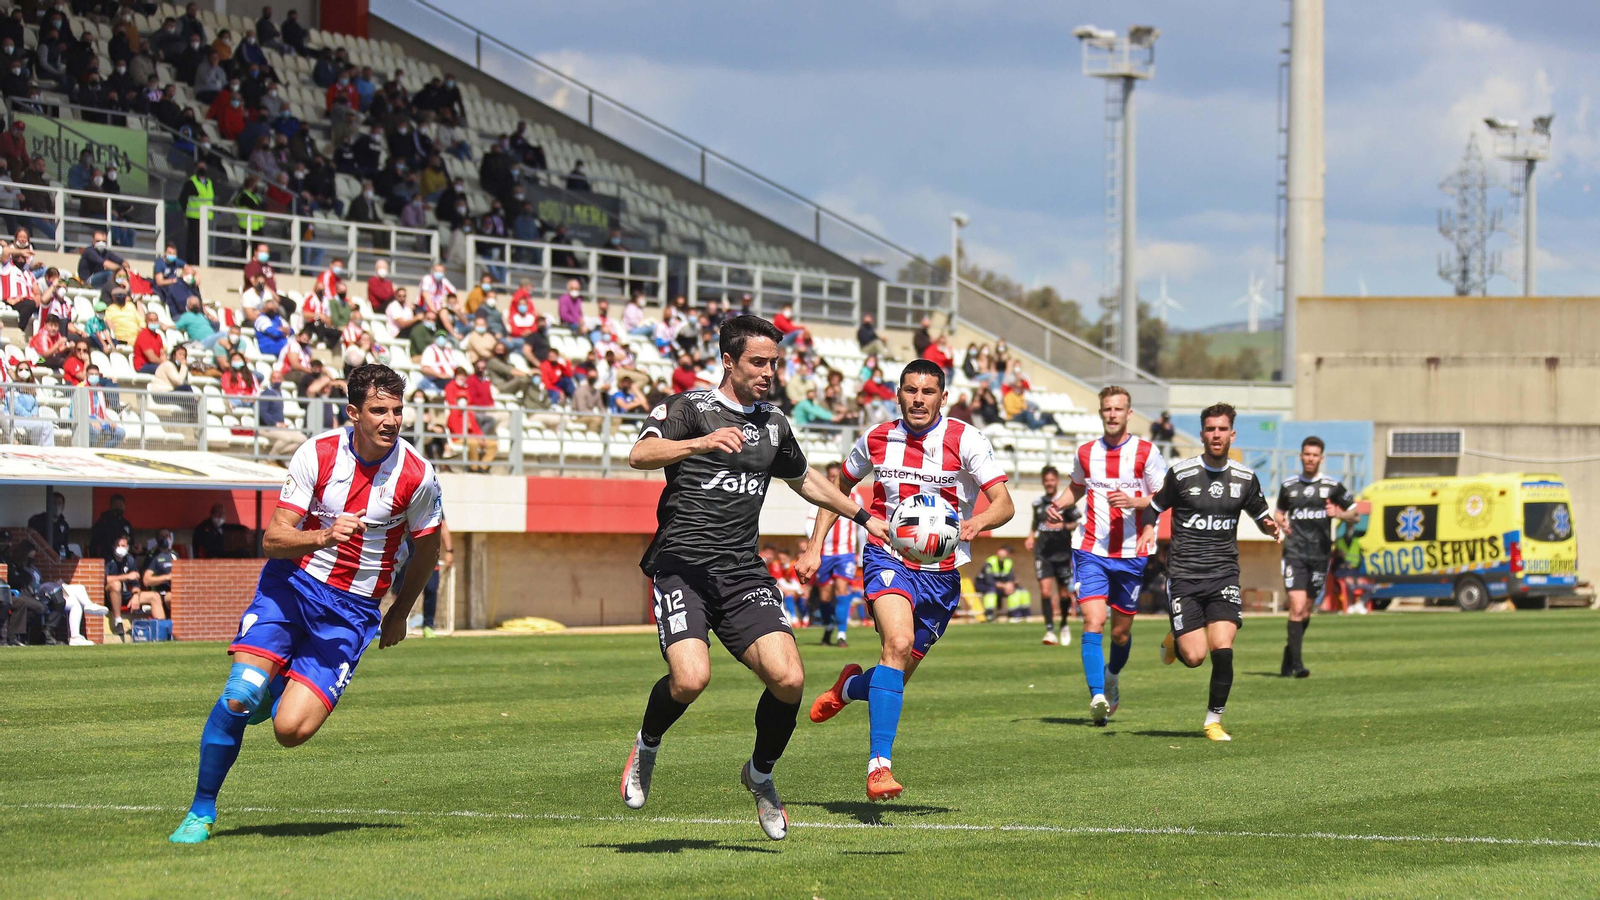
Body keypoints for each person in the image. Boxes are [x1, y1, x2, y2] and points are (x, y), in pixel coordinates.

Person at [619, 315, 888, 841]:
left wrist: (863, 517)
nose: (769, 372)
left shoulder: (773, 422)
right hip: (682, 568)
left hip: (742, 572)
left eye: (774, 363)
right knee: (690, 680)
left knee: (789, 680)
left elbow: (806, 479)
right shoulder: (689, 408)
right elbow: (640, 454)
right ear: (728, 361)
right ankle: (646, 746)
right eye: (757, 362)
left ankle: (760, 774)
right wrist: (700, 444)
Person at [168, 365, 442, 844]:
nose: (391, 420)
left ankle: (274, 688)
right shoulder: (317, 454)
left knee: (290, 731)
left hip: (352, 611)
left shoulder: (418, 475)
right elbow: (273, 540)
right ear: (353, 412)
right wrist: (323, 536)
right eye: (379, 410)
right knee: (239, 693)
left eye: (398, 410)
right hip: (292, 586)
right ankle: (201, 810)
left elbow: (428, 550)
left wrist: (398, 612)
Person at [801, 358, 1013, 802]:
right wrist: (815, 545)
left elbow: (1004, 504)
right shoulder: (877, 438)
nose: (918, 399)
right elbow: (837, 488)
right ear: (898, 394)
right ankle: (879, 766)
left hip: (942, 575)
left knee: (894, 675)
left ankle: (849, 687)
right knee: (896, 644)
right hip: (888, 557)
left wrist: (977, 522)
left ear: (943, 397)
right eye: (910, 390)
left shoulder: (966, 439)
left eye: (927, 391)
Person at [1148, 403, 1282, 742]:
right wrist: (1149, 529)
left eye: (1222, 429)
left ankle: (1213, 722)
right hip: (1184, 576)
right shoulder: (1182, 474)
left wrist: (1270, 527)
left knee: (1223, 648)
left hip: (1224, 575)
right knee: (1195, 657)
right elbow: (1154, 507)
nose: (1216, 435)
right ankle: (1176, 640)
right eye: (1210, 429)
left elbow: (1261, 515)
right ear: (1202, 434)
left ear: (1232, 434)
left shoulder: (1245, 478)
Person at [1042, 385, 1168, 726]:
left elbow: (1163, 496)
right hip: (1090, 550)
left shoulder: (1146, 452)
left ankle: (1112, 676)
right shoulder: (1086, 453)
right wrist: (1057, 505)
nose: (1112, 414)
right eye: (1107, 409)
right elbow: (1077, 487)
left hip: (1131, 553)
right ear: (1101, 413)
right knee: (1094, 621)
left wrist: (1136, 503)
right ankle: (1097, 695)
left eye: (1118, 409)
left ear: (1129, 413)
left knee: (1120, 634)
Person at [1272, 436, 1358, 678]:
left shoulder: (1332, 487)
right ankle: (1298, 665)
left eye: (1314, 455)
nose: (1310, 459)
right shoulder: (1289, 486)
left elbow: (1355, 515)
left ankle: (1289, 655)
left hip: (1320, 555)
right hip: (1294, 553)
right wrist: (1282, 522)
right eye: (1307, 454)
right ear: (1301, 456)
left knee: (1307, 609)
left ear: (1321, 458)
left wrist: (1339, 513)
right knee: (1297, 606)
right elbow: (1278, 513)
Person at [804, 462, 864, 648]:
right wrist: (815, 545)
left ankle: (841, 634)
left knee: (842, 590)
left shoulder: (856, 498)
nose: (833, 479)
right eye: (830, 476)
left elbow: (861, 527)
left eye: (835, 475)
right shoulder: (820, 497)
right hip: (825, 554)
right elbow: (808, 525)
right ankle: (829, 627)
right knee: (824, 596)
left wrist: (861, 552)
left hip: (846, 553)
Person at [1027, 465, 1080, 646]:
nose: (1049, 483)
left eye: (1052, 480)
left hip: (1063, 553)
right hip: (1043, 554)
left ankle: (1064, 623)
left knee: (1064, 594)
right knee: (1045, 591)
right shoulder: (1038, 503)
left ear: (1057, 481)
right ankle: (1049, 630)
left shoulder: (1066, 502)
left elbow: (1078, 523)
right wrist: (1030, 536)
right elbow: (1036, 522)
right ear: (1043, 482)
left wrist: (1063, 526)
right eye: (1046, 480)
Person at [104, 535, 142, 642]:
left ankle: (160, 629)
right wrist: (126, 576)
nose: (120, 548)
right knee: (116, 585)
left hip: (125, 595)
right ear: (113, 546)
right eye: (118, 545)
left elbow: (136, 583)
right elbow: (104, 579)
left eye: (123, 545)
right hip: (109, 594)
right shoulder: (107, 559)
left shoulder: (130, 560)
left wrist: (136, 596)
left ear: (128, 547)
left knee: (154, 596)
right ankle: (118, 622)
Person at [28, 492, 71, 558]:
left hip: (59, 559)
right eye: (54, 503)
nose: (57, 505)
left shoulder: (64, 525)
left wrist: (70, 555)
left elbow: (64, 546)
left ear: (63, 506)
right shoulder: (38, 521)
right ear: (48, 505)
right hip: (42, 558)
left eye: (59, 503)